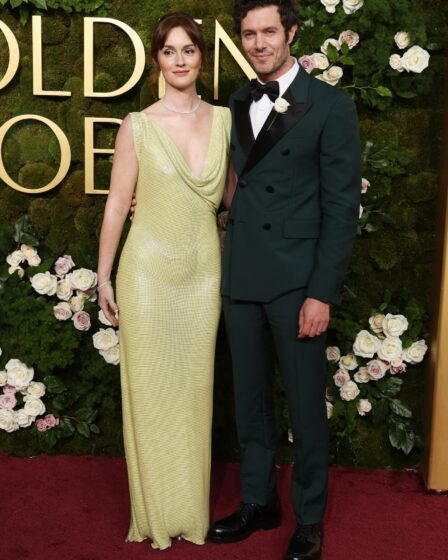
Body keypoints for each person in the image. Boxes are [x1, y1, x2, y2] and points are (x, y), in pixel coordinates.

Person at [207, 1, 361, 559]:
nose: (258, 42)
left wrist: (321, 291)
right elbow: (232, 186)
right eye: (249, 34)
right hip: (242, 271)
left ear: (291, 33)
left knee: (302, 404)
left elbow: (342, 209)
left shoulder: (330, 105)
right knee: (248, 400)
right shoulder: (238, 100)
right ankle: (258, 501)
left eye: (269, 31)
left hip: (298, 281)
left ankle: (310, 518)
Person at [96, 13, 231, 550]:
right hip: (147, 274)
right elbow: (114, 206)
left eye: (189, 50)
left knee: (194, 392)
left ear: (202, 57)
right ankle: (153, 515)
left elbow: (235, 201)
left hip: (202, 276)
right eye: (169, 51)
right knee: (151, 395)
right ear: (156, 59)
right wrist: (103, 276)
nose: (179, 60)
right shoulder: (138, 125)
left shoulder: (224, 120)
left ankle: (189, 511)